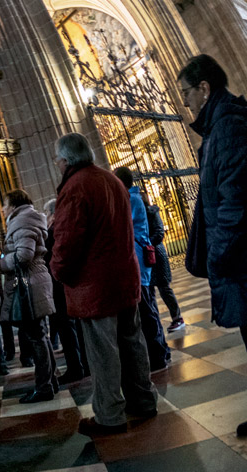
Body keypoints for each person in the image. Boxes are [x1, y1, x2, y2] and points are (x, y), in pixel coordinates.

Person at [50, 133, 157, 436]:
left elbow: (67, 240)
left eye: (57, 159)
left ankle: (110, 415)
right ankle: (144, 400)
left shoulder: (75, 187)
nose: (57, 164)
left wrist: (57, 270)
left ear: (67, 159)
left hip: (94, 286)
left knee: (103, 351)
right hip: (124, 277)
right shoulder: (112, 181)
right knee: (133, 342)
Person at [177, 55, 247, 436]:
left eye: (186, 92)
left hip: (240, 257)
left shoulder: (230, 126)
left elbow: (235, 200)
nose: (185, 102)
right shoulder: (222, 125)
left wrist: (218, 254)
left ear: (204, 89)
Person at [0, 189, 57, 403]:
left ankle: (44, 387)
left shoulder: (22, 220)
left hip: (28, 282)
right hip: (34, 279)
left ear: (13, 205)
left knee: (36, 336)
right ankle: (50, 381)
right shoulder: (28, 218)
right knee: (40, 334)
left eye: (4, 204)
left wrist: (2, 262)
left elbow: (24, 255)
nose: (2, 209)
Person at [115, 167, 169, 370]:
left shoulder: (131, 200)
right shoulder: (133, 198)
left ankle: (158, 355)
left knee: (147, 310)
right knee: (149, 306)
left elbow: (124, 225)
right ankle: (161, 350)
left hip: (138, 258)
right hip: (139, 258)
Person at [44, 199, 88, 385]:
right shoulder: (65, 228)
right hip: (69, 284)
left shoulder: (53, 232)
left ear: (52, 213)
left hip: (59, 285)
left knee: (66, 327)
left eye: (46, 213)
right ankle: (83, 364)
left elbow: (52, 259)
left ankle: (75, 368)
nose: (45, 217)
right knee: (76, 326)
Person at [145, 196, 184, 332]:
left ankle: (177, 318)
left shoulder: (152, 213)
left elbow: (159, 232)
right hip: (147, 254)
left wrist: (146, 243)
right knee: (149, 291)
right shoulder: (138, 215)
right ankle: (155, 324)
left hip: (157, 253)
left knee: (164, 288)